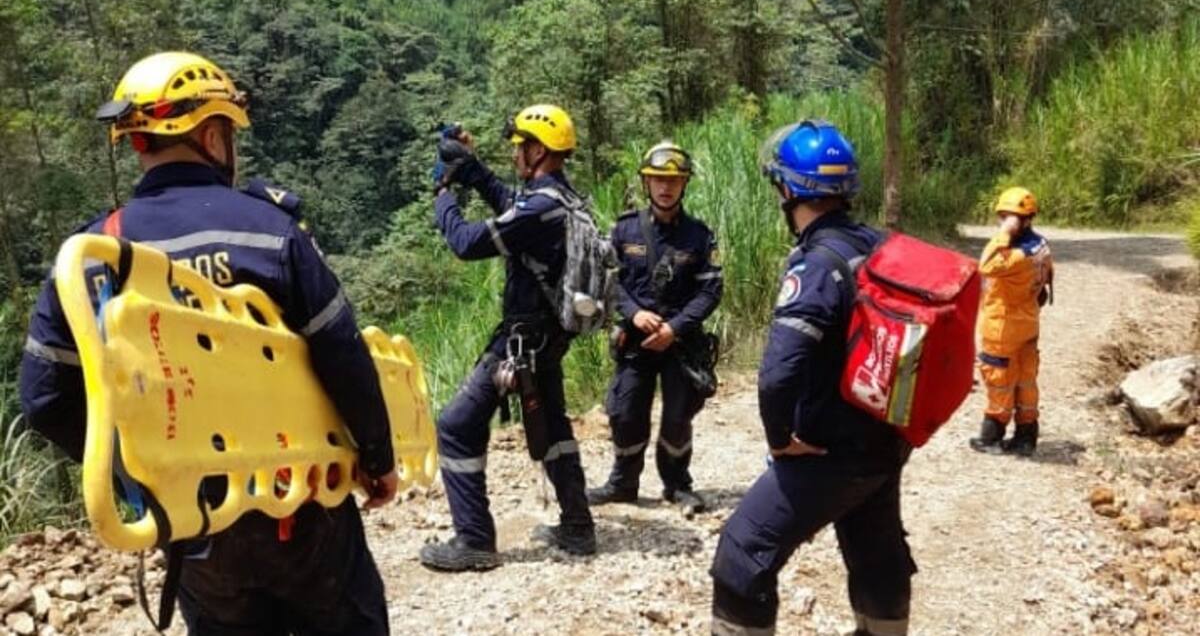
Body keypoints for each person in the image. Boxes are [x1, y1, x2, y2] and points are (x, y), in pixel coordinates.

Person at [19, 51, 397, 635]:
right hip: (300, 506)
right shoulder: (270, 231)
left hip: (195, 519)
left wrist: (141, 472)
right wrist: (378, 460)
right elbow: (341, 352)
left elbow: (43, 400)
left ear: (139, 144)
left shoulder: (95, 252)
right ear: (214, 135)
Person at [710, 120, 915, 636]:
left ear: (787, 189)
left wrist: (781, 440)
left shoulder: (816, 264)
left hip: (830, 451)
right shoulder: (882, 246)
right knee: (876, 552)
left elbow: (779, 372)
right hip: (885, 440)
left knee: (742, 553)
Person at [418, 104, 595, 571]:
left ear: (538, 150)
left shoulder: (539, 207)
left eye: (519, 146)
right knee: (553, 428)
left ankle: (474, 539)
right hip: (548, 337)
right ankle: (578, 527)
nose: (516, 153)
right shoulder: (559, 199)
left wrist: (442, 193)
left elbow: (466, 243)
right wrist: (473, 171)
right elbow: (509, 208)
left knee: (456, 428)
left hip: (521, 342)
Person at [586, 141, 722, 513]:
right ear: (646, 183)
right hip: (635, 342)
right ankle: (622, 484)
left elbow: (711, 291)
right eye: (658, 179)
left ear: (684, 184)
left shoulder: (700, 235)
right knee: (625, 412)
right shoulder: (624, 230)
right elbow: (606, 281)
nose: (666, 187)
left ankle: (678, 485)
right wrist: (633, 313)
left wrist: (674, 328)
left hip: (680, 343)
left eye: (674, 180)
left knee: (678, 416)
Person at [968, 187, 1053, 457]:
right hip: (1028, 323)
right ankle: (1026, 436)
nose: (1004, 221)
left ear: (1022, 220)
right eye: (1003, 216)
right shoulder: (1040, 245)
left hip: (1003, 327)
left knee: (999, 380)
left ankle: (991, 436)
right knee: (1026, 381)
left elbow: (986, 264)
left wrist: (1004, 232)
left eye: (1009, 216)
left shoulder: (1015, 256)